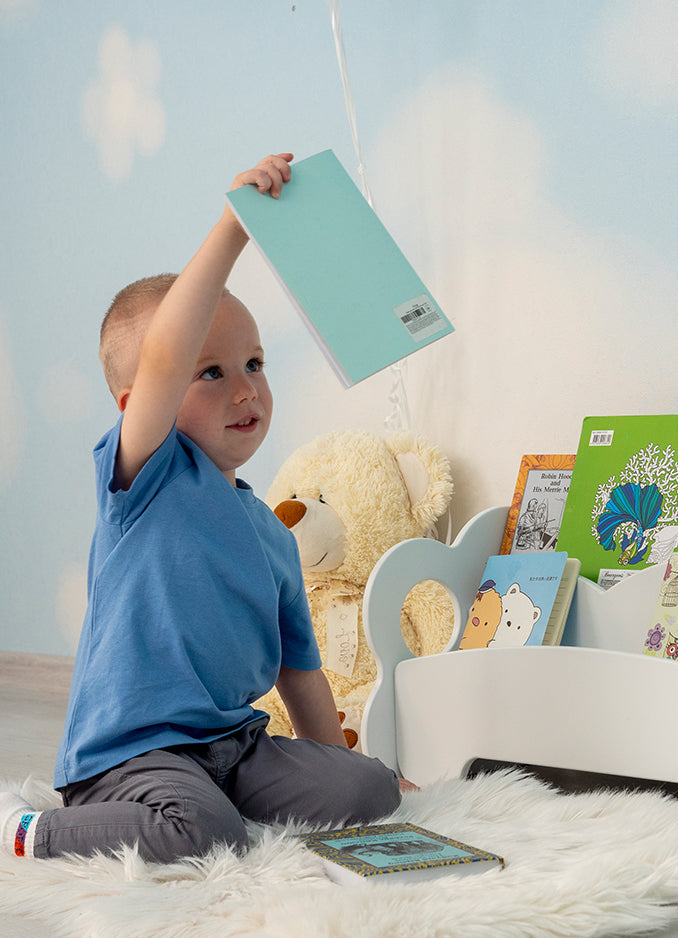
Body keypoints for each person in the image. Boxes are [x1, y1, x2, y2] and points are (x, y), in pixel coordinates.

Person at [0, 153, 402, 862]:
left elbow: (300, 673)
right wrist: (233, 229)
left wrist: (334, 770)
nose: (245, 390)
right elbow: (161, 356)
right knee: (205, 834)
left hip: (234, 749)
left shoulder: (273, 533)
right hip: (130, 756)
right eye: (210, 373)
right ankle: (32, 829)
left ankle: (238, 801)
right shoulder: (146, 480)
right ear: (138, 409)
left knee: (372, 788)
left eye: (254, 364)